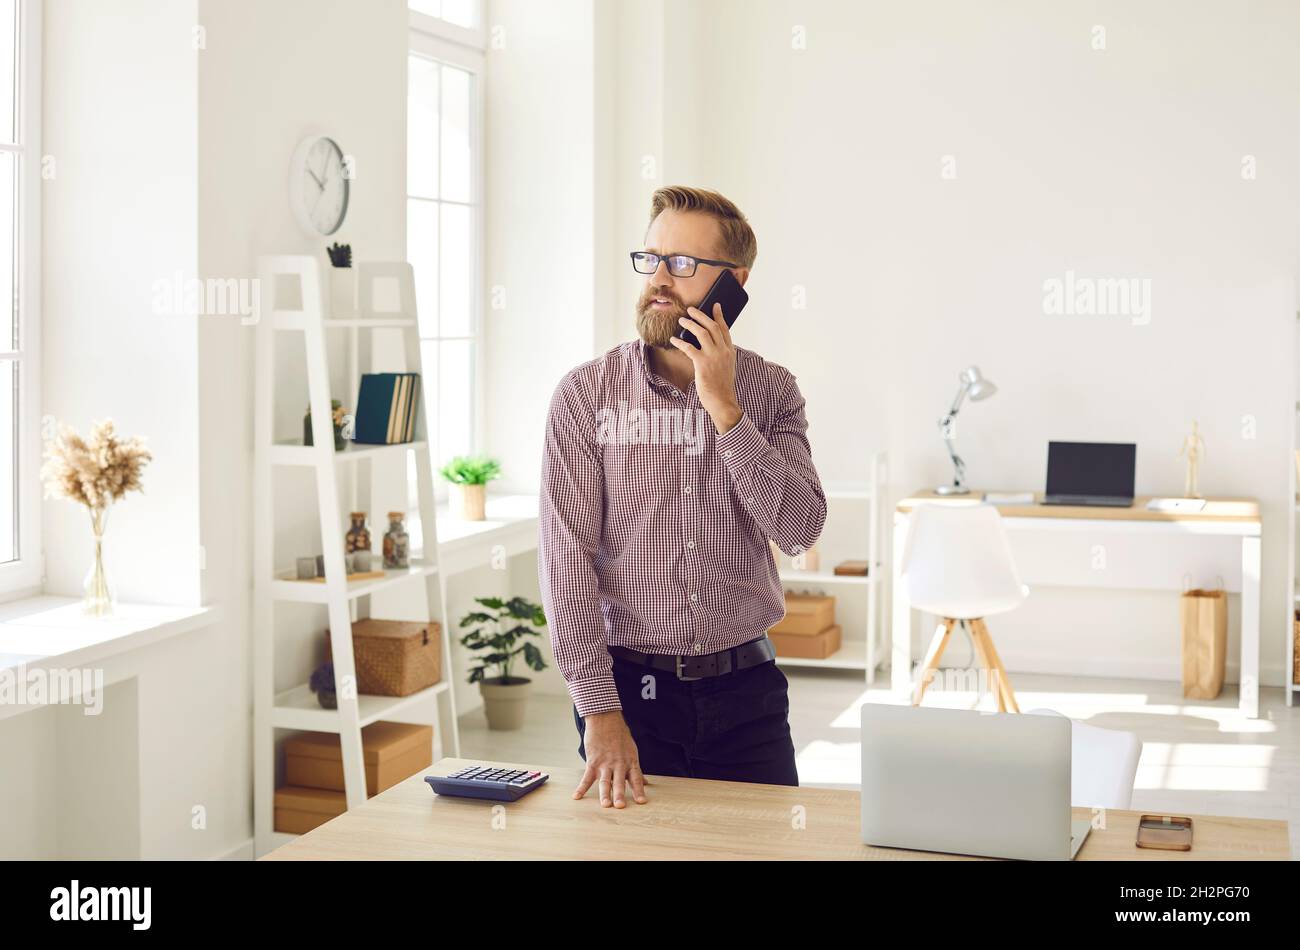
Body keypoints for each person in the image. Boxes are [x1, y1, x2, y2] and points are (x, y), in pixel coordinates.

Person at [538, 185, 826, 807]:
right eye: (651, 259)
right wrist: (600, 714)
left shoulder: (772, 391)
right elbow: (567, 566)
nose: (659, 279)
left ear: (735, 283)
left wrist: (724, 408)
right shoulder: (586, 396)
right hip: (630, 697)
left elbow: (799, 531)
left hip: (746, 693)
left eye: (684, 265)